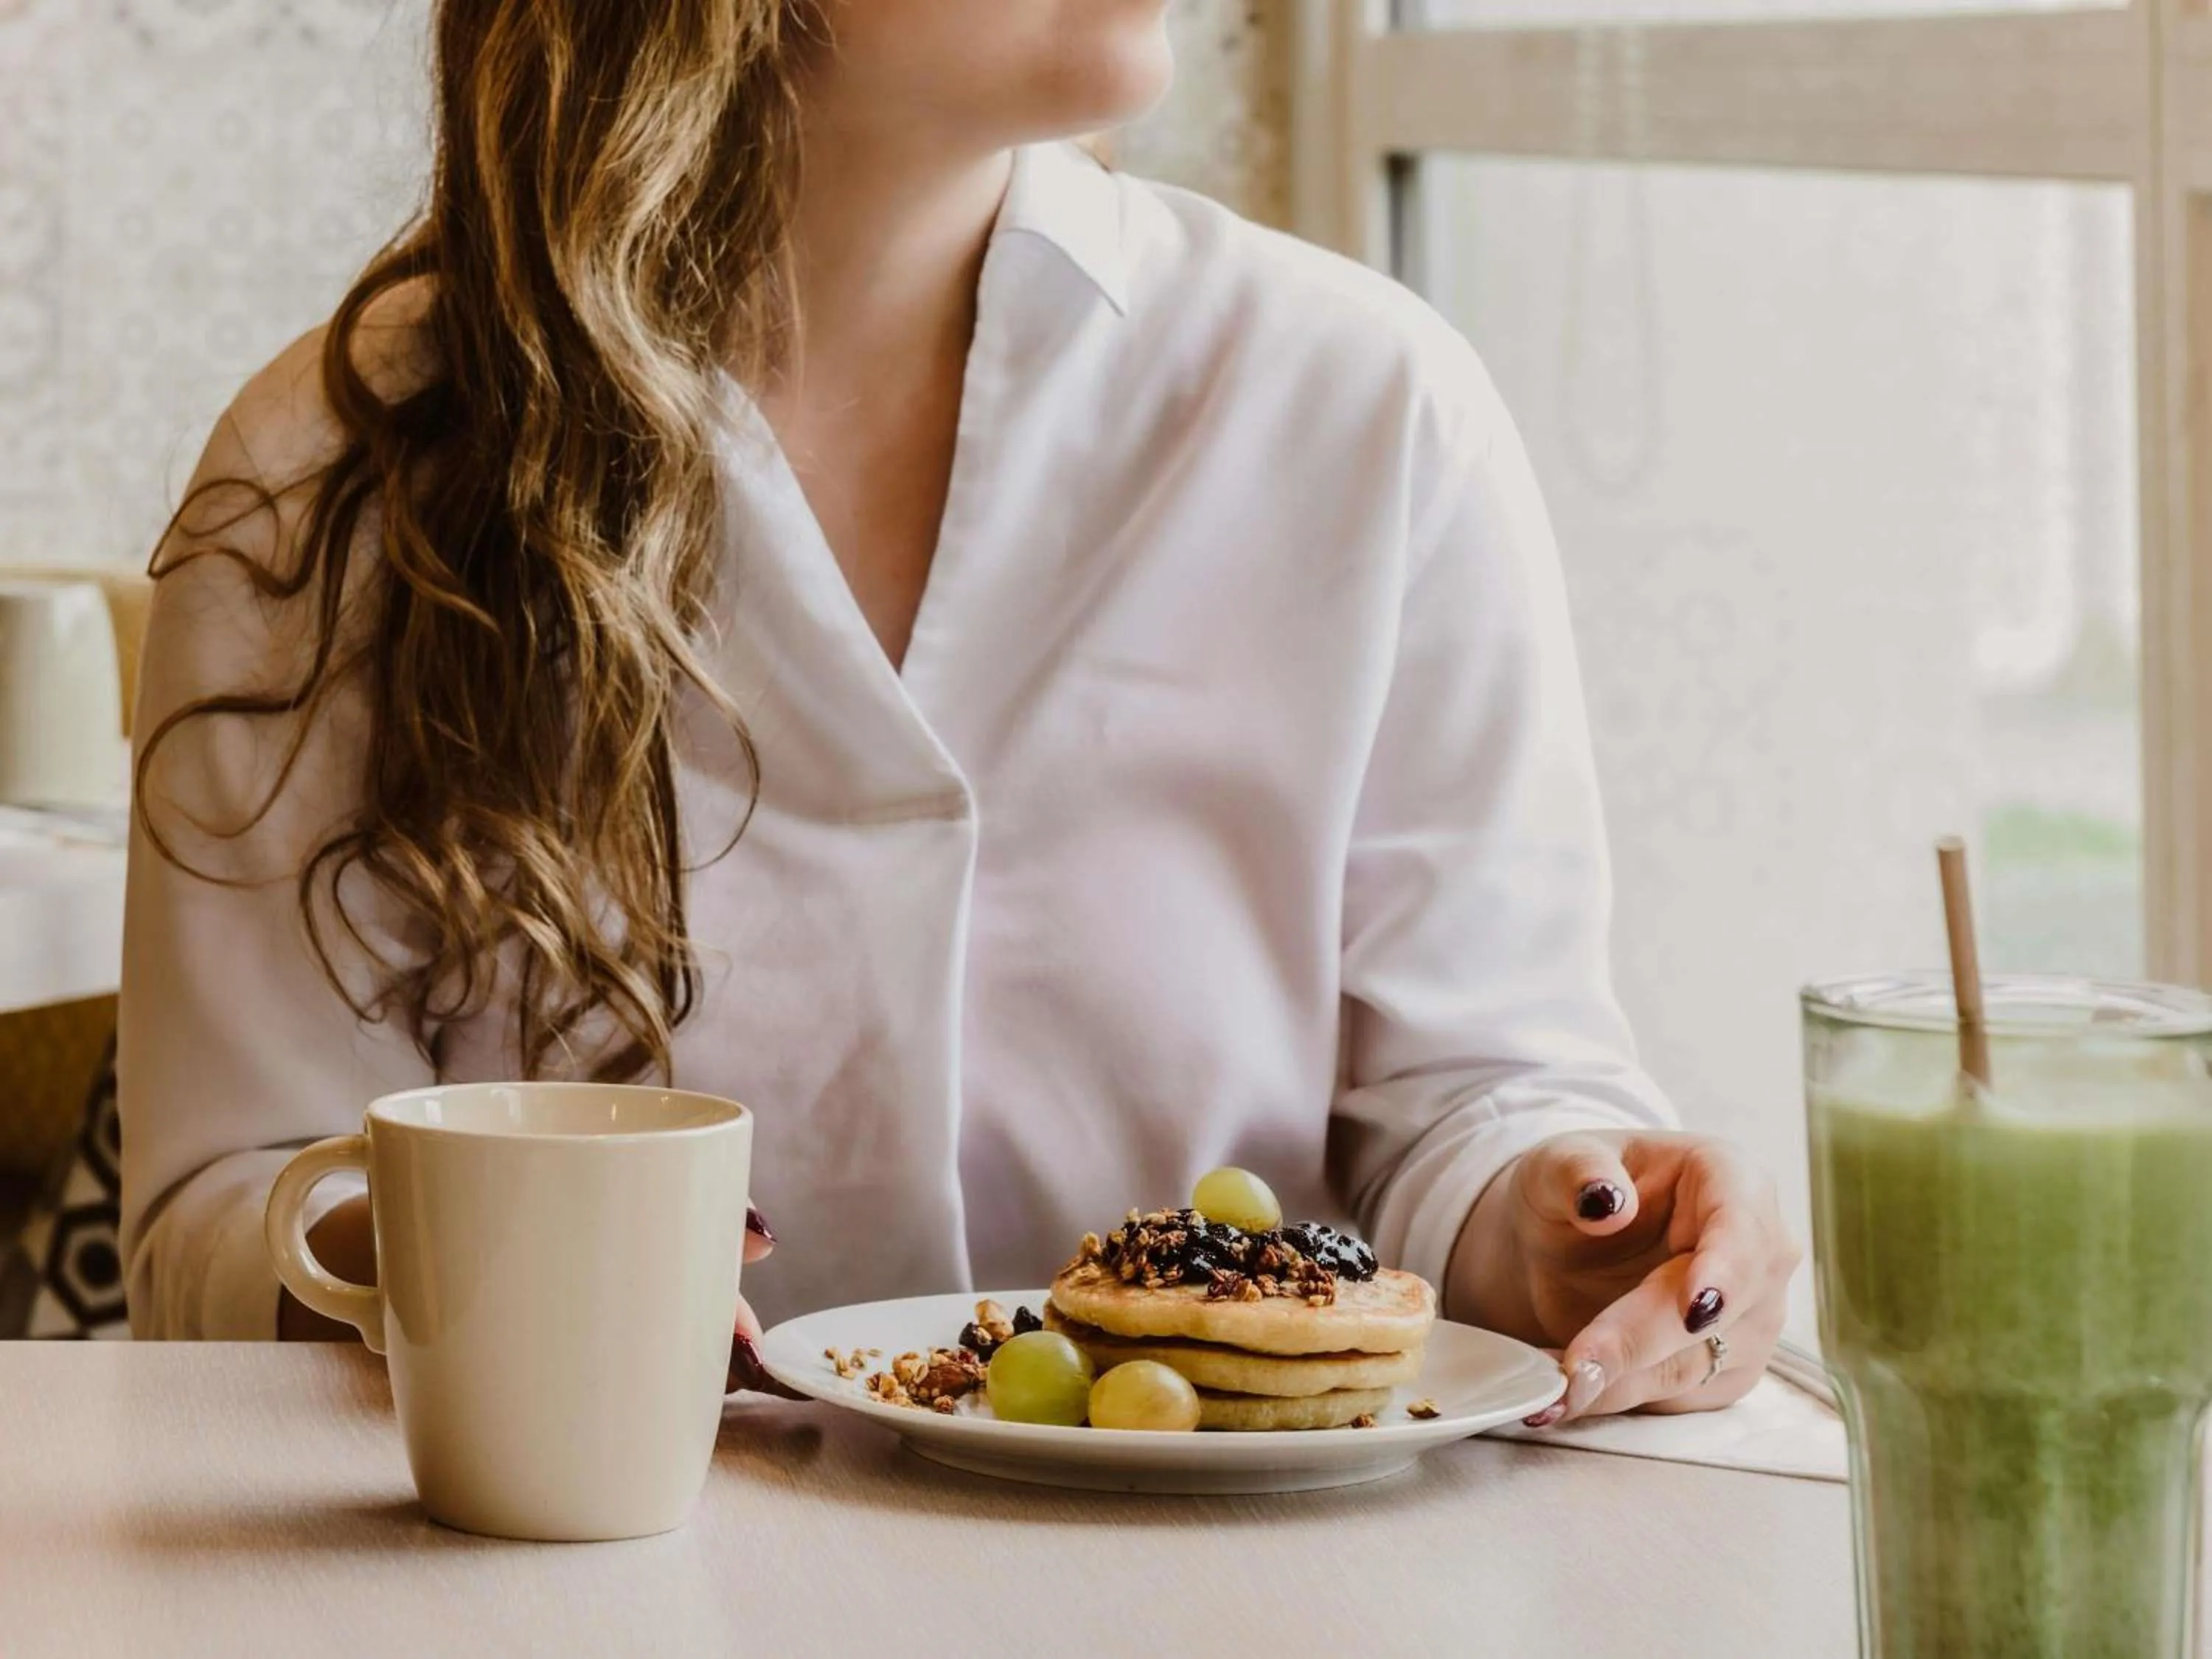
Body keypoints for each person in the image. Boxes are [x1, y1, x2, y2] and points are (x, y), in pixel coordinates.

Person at [118, 0, 1798, 1425]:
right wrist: (449, 1274)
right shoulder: (334, 477)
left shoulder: (1371, 410)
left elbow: (1473, 1091)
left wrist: (1570, 1213)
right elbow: (219, 1211)